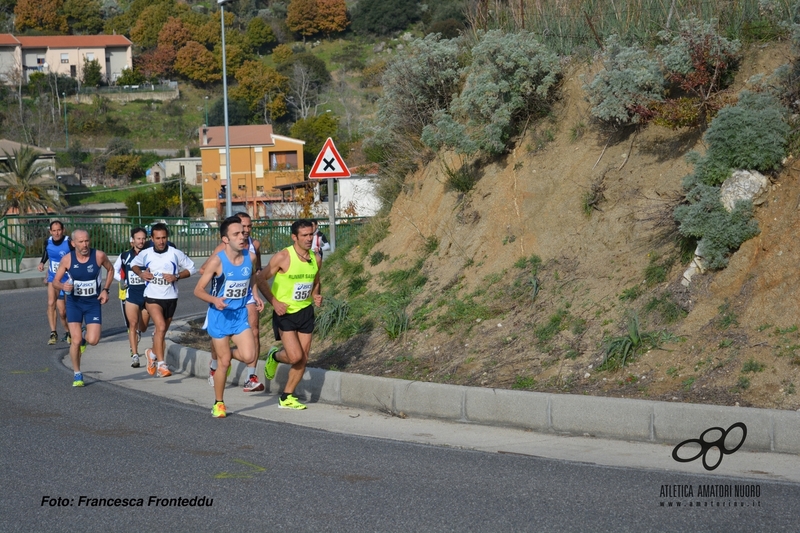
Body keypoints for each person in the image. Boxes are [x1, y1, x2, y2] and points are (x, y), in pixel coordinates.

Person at [194, 217, 265, 418]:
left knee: (250, 356)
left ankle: (223, 354)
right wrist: (214, 300)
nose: (242, 236)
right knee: (224, 364)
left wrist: (255, 295)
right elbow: (198, 290)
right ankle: (219, 403)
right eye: (236, 234)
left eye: (242, 232)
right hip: (219, 317)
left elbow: (251, 277)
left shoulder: (250, 257)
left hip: (239, 315)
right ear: (225, 239)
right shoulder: (218, 261)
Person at [257, 219, 322, 410]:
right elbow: (260, 278)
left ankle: (287, 397)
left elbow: (316, 280)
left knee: (303, 357)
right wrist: (275, 302)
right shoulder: (283, 257)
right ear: (294, 237)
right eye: (304, 235)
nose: (309, 238)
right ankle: (275, 356)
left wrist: (316, 294)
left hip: (306, 311)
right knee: (295, 357)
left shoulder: (315, 258)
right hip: (285, 313)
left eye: (311, 234)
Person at [131, 223, 196, 378]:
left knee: (162, 331)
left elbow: (192, 268)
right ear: (152, 238)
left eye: (164, 238)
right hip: (152, 297)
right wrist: (141, 274)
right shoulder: (146, 253)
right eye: (157, 238)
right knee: (159, 326)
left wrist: (177, 276)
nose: (161, 241)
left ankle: (151, 353)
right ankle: (162, 364)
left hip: (171, 298)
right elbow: (133, 264)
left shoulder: (175, 253)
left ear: (167, 238)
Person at [52, 229, 114, 387]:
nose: (84, 244)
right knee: (76, 340)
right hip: (74, 303)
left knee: (93, 340)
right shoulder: (67, 259)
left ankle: (86, 334)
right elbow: (55, 281)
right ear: (73, 244)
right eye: (80, 242)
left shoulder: (98, 256)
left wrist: (106, 290)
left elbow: (111, 269)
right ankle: (77, 374)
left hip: (93, 303)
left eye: (86, 241)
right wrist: (63, 285)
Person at [113, 227, 151, 368]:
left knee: (143, 326)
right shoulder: (125, 256)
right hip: (132, 294)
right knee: (132, 325)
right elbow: (115, 270)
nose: (141, 241)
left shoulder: (150, 254)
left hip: (147, 295)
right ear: (133, 240)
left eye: (143, 238)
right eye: (138, 238)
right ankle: (135, 355)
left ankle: (139, 334)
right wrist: (122, 281)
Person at [37, 220, 71, 345]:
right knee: (51, 303)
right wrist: (42, 262)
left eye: (59, 230)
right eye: (54, 231)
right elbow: (46, 252)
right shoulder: (48, 241)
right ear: (50, 231)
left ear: (63, 230)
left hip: (67, 278)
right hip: (53, 277)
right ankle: (53, 332)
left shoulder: (69, 242)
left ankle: (68, 331)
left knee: (62, 312)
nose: (56, 233)